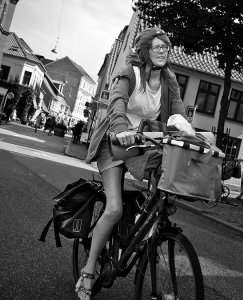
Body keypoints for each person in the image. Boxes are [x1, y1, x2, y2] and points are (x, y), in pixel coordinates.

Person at [77, 28, 187, 300]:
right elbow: (117, 103)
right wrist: (120, 128)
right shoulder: (130, 73)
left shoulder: (169, 80)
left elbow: (178, 114)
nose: (163, 51)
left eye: (166, 47)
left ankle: (151, 264)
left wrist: (190, 134)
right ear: (145, 49)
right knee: (114, 208)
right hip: (115, 142)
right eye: (157, 46)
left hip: (144, 145)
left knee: (158, 210)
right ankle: (88, 271)